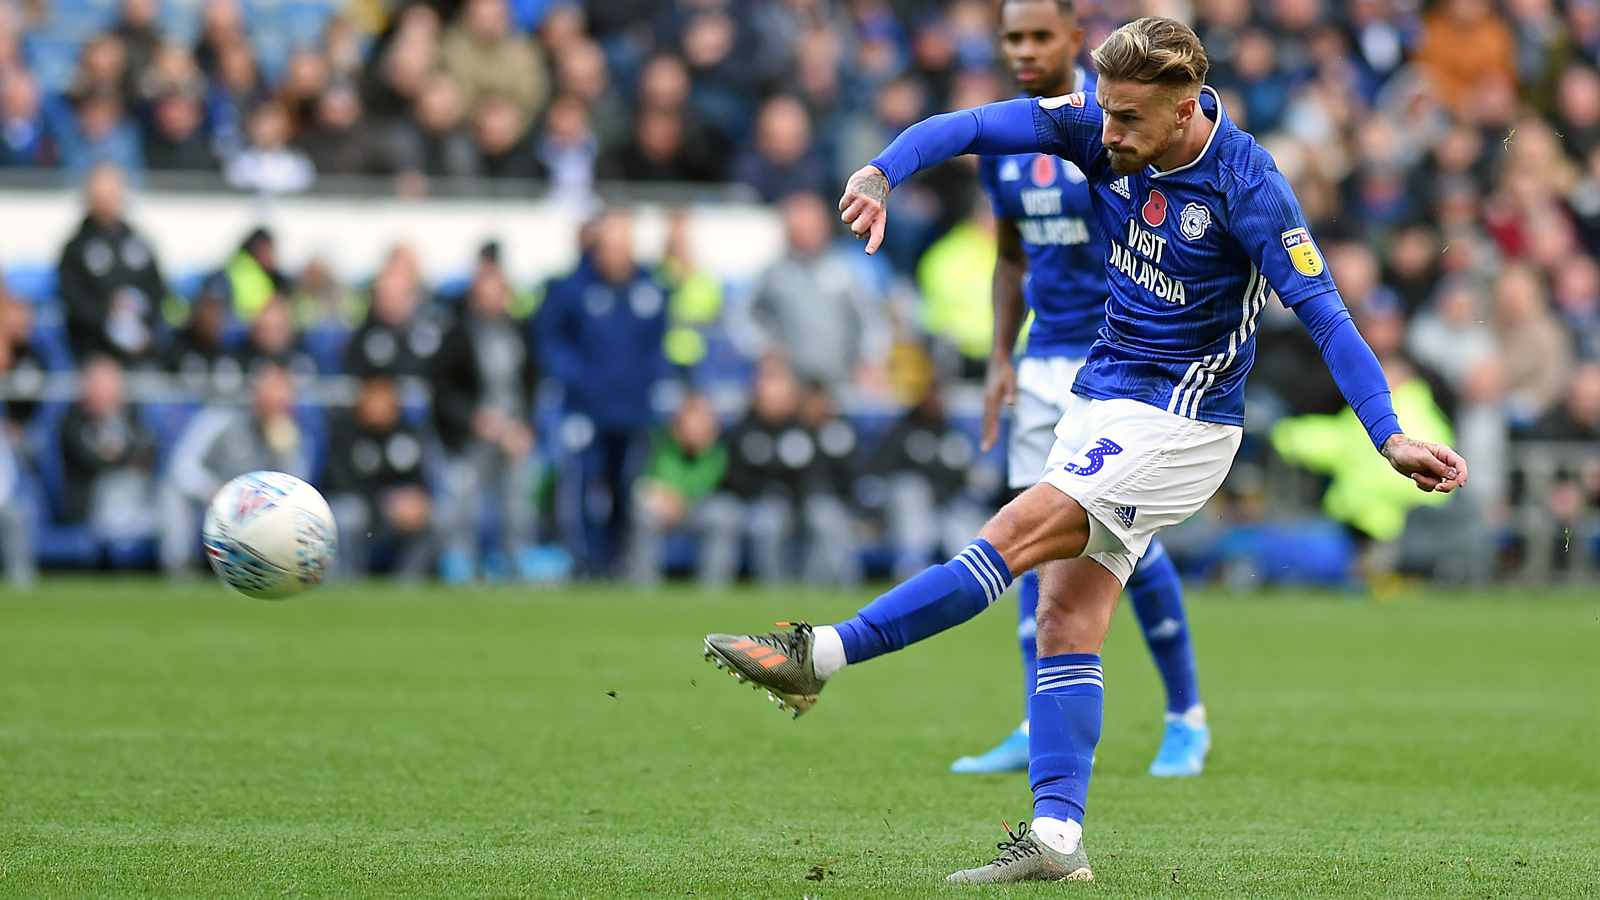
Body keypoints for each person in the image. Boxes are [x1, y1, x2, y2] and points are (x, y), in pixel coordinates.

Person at [703, 17, 1467, 884]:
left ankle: (820, 656)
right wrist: (883, 169)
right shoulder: (1102, 123)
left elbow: (1325, 314)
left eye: (1130, 120)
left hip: (1183, 424)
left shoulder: (1249, 185)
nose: (1108, 136)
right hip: (1102, 399)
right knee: (1067, 617)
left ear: (1185, 111)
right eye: (1105, 113)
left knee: (1015, 531)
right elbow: (973, 128)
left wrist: (1389, 433)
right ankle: (1058, 839)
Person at [954, 0, 1211, 779]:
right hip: (1040, 365)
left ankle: (1185, 716)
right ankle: (1040, 720)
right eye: (1013, 37)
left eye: (1040, 35)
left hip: (1116, 369)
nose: (1025, 49)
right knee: (1035, 551)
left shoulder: (1106, 131)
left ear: (1077, 38)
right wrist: (1001, 355)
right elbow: (1009, 258)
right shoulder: (1008, 144)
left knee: (1126, 547)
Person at [537, 210, 667, 576]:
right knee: (582, 486)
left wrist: (652, 384)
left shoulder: (650, 288)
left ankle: (619, 559)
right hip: (585, 408)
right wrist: (580, 382)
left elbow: (657, 345)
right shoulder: (571, 288)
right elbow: (552, 343)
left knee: (627, 487)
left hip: (633, 409)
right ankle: (585, 561)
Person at [428, 249, 541, 583]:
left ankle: (516, 563)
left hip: (513, 433)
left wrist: (525, 426)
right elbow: (443, 390)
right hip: (472, 435)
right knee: (466, 507)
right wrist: (474, 419)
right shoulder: (457, 335)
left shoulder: (520, 331)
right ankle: (460, 567)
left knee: (518, 506)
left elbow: (532, 382)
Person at [159, 364, 309, 575]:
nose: (278, 404)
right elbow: (181, 467)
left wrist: (286, 450)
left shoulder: (287, 436)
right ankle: (179, 566)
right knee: (172, 491)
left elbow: (297, 490)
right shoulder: (219, 420)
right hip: (213, 502)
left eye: (284, 399)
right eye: (272, 396)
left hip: (260, 511)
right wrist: (210, 489)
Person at [58, 163, 168, 367]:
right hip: (93, 349)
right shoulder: (75, 248)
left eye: (112, 195)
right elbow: (74, 300)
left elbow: (158, 290)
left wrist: (146, 329)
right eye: (101, 196)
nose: (107, 202)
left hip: (143, 349)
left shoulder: (138, 242)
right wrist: (107, 314)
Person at [324, 374, 433, 579]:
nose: (379, 406)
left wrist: (416, 501)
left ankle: (407, 584)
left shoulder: (406, 433)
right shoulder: (344, 432)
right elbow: (339, 483)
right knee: (351, 514)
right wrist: (385, 502)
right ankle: (348, 580)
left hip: (396, 516)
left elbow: (420, 480)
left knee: (434, 516)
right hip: (362, 509)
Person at [626, 389, 729, 587]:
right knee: (642, 514)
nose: (695, 428)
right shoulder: (658, 445)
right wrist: (659, 498)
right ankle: (645, 588)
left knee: (723, 514)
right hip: (663, 510)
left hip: (697, 510)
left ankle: (713, 590)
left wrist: (681, 500)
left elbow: (711, 486)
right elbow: (639, 483)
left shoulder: (717, 453)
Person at [57, 356, 159, 553]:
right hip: (91, 505)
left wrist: (116, 454)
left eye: (112, 387)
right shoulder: (72, 421)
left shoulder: (131, 417)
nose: (107, 394)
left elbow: (148, 450)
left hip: (135, 498)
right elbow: (92, 461)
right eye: (100, 387)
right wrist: (125, 457)